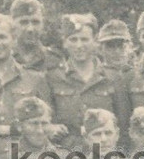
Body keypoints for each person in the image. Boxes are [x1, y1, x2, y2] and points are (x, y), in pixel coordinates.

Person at [44, 13, 130, 143]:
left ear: (95, 41)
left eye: (84, 39)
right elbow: (45, 122)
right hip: (66, 153)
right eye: (73, 39)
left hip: (104, 152)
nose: (79, 46)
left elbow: (123, 125)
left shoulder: (113, 77)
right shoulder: (53, 77)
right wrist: (50, 128)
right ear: (64, 43)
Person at [10, 0, 62, 72]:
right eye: (24, 22)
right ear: (12, 25)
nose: (30, 29)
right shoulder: (4, 58)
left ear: (43, 24)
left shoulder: (54, 60)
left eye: (35, 22)